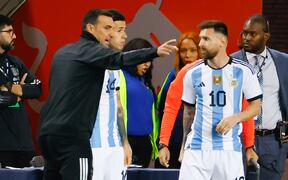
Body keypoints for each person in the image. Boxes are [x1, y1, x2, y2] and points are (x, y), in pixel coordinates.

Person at [38, 9, 177, 180]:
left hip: (48, 134)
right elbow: (120, 59)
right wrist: (154, 52)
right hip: (74, 137)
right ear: (90, 28)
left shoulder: (63, 53)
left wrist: (124, 143)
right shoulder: (93, 53)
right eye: (107, 28)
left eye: (114, 29)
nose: (111, 34)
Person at [179, 20, 262, 180]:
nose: (201, 44)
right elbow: (188, 112)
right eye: (201, 39)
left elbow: (256, 106)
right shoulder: (192, 73)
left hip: (229, 150)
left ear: (222, 42)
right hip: (196, 149)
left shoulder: (243, 71)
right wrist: (183, 147)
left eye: (206, 39)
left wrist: (235, 118)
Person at [231, 14, 288, 180]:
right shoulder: (232, 62)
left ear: (266, 36)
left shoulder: (284, 61)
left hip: (273, 141)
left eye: (252, 34)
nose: (246, 38)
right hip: (239, 141)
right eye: (244, 33)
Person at [89, 9, 131, 180]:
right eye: (118, 30)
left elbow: (118, 107)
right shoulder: (88, 65)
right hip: (92, 147)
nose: (124, 36)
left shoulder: (116, 69)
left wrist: (125, 143)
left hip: (115, 147)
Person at [0, 15, 42, 168]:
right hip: (2, 146)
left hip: (24, 144)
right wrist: (16, 97)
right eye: (9, 31)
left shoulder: (15, 62)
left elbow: (38, 88)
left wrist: (13, 89)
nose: (15, 36)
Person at [156, 32, 201, 168]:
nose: (187, 55)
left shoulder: (207, 75)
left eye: (193, 50)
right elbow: (164, 109)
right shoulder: (172, 76)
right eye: (183, 51)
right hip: (172, 140)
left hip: (195, 143)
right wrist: (163, 143)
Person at [119, 38, 158, 168]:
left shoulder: (145, 80)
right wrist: (124, 143)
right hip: (126, 142)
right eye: (143, 60)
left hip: (145, 144)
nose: (147, 64)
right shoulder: (119, 75)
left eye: (149, 60)